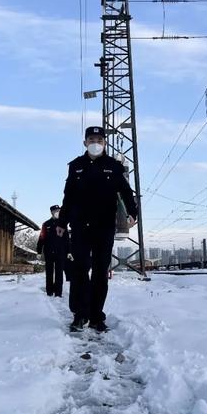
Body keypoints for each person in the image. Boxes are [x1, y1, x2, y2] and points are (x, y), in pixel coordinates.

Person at [56, 126, 137, 332]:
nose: (96, 143)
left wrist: (132, 212)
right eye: (91, 139)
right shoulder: (76, 166)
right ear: (85, 142)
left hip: (104, 226)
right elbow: (68, 196)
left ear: (104, 143)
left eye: (99, 140)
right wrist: (61, 222)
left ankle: (96, 317)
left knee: (101, 272)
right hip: (80, 226)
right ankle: (79, 315)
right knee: (80, 270)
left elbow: (126, 192)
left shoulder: (114, 166)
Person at [36, 205, 70, 297]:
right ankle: (49, 291)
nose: (58, 212)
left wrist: (69, 251)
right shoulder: (46, 224)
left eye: (59, 210)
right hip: (49, 251)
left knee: (59, 272)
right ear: (52, 213)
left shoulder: (63, 224)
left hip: (60, 252)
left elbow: (67, 239)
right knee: (49, 271)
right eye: (56, 211)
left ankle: (58, 292)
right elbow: (42, 238)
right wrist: (39, 251)